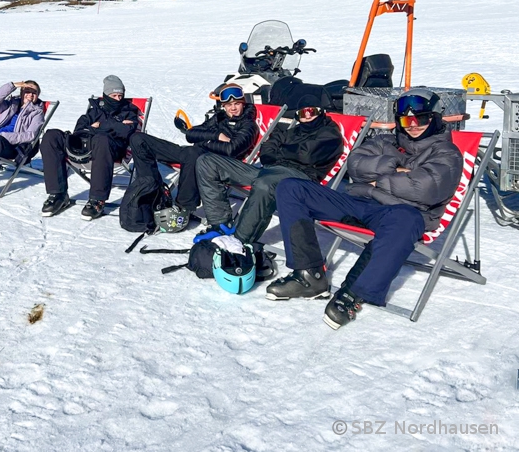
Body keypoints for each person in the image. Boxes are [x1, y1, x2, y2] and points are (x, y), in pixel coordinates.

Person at [267, 88, 463, 330]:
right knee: (291, 188)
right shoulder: (386, 141)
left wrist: (375, 181)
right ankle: (308, 276)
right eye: (406, 120)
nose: (413, 125)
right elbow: (354, 164)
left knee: (407, 219)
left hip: (398, 213)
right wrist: (396, 168)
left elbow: (425, 189)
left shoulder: (448, 153)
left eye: (420, 119)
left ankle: (355, 292)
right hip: (359, 203)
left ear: (435, 118)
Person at [195, 95, 343, 278]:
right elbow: (266, 149)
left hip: (298, 179)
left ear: (320, 111)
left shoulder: (330, 134)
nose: (307, 116)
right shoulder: (293, 131)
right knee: (207, 161)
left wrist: (279, 152)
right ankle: (220, 224)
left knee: (265, 184)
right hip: (270, 172)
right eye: (302, 113)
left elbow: (306, 156)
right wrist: (282, 153)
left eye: (311, 111)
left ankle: (239, 241)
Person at [128, 82, 258, 217]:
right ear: (223, 106)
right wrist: (216, 135)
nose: (233, 108)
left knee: (192, 152)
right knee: (139, 139)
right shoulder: (219, 118)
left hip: (215, 163)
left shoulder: (248, 126)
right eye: (229, 105)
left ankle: (184, 208)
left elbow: (231, 150)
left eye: (237, 103)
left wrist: (203, 142)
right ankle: (151, 194)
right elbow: (190, 134)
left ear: (243, 104)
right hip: (193, 155)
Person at [40, 75, 139, 220]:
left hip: (111, 148)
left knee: (101, 139)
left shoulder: (129, 111)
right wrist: (112, 126)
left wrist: (99, 127)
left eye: (120, 95)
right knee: (51, 136)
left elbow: (126, 131)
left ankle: (97, 200)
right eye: (114, 95)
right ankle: (58, 194)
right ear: (106, 95)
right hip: (85, 145)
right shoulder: (96, 109)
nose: (118, 99)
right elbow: (80, 127)